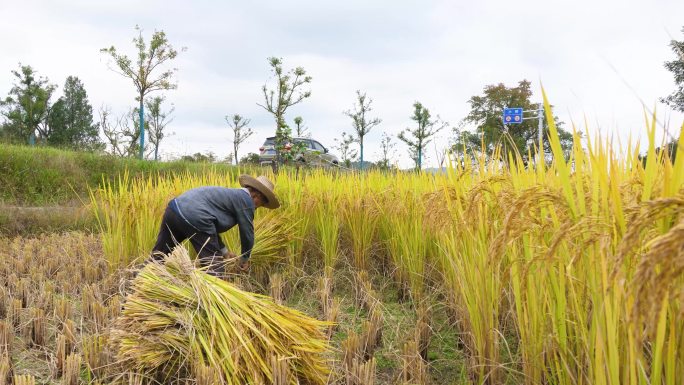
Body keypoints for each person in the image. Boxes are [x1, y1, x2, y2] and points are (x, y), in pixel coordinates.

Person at [150, 174, 280, 276]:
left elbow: (209, 226)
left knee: (158, 255)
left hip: (173, 211)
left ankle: (138, 283)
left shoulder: (231, 196)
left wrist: (224, 252)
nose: (257, 207)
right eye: (261, 203)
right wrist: (245, 258)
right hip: (195, 217)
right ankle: (212, 305)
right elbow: (247, 232)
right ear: (257, 195)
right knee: (214, 267)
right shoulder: (246, 200)